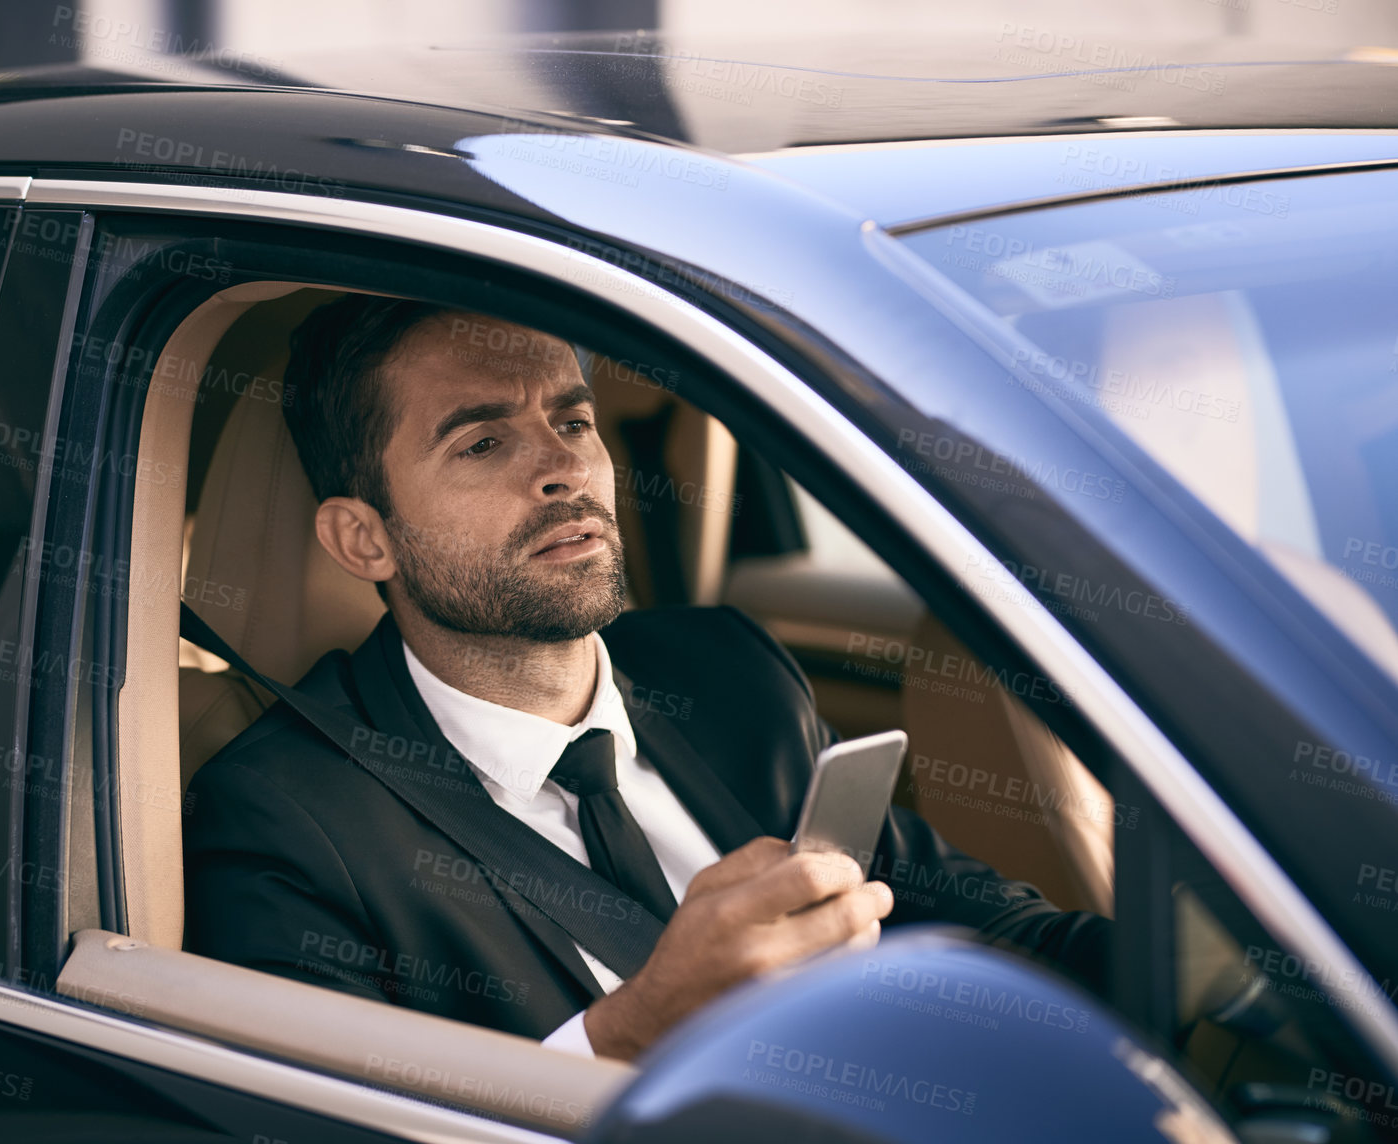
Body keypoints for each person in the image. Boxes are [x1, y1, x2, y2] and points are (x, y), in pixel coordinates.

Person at [182, 295, 1107, 1061]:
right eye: (481, 444)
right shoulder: (277, 819)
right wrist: (634, 1032)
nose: (561, 468)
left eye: (572, 420)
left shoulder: (728, 676)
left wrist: (1217, 964)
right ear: (364, 538)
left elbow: (996, 938)